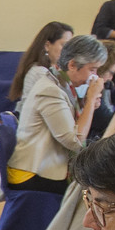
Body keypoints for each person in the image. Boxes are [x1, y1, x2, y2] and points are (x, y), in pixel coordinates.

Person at [11, 33, 106, 192]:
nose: (94, 76)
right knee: (90, 190)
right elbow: (74, 141)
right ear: (72, 65)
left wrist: (86, 105)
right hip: (34, 171)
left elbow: (71, 125)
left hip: (46, 163)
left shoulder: (61, 84)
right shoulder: (51, 90)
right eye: (92, 69)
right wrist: (90, 101)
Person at [7, 20, 73, 108]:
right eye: (64, 45)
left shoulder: (55, 69)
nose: (69, 51)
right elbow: (63, 103)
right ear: (47, 46)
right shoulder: (39, 72)